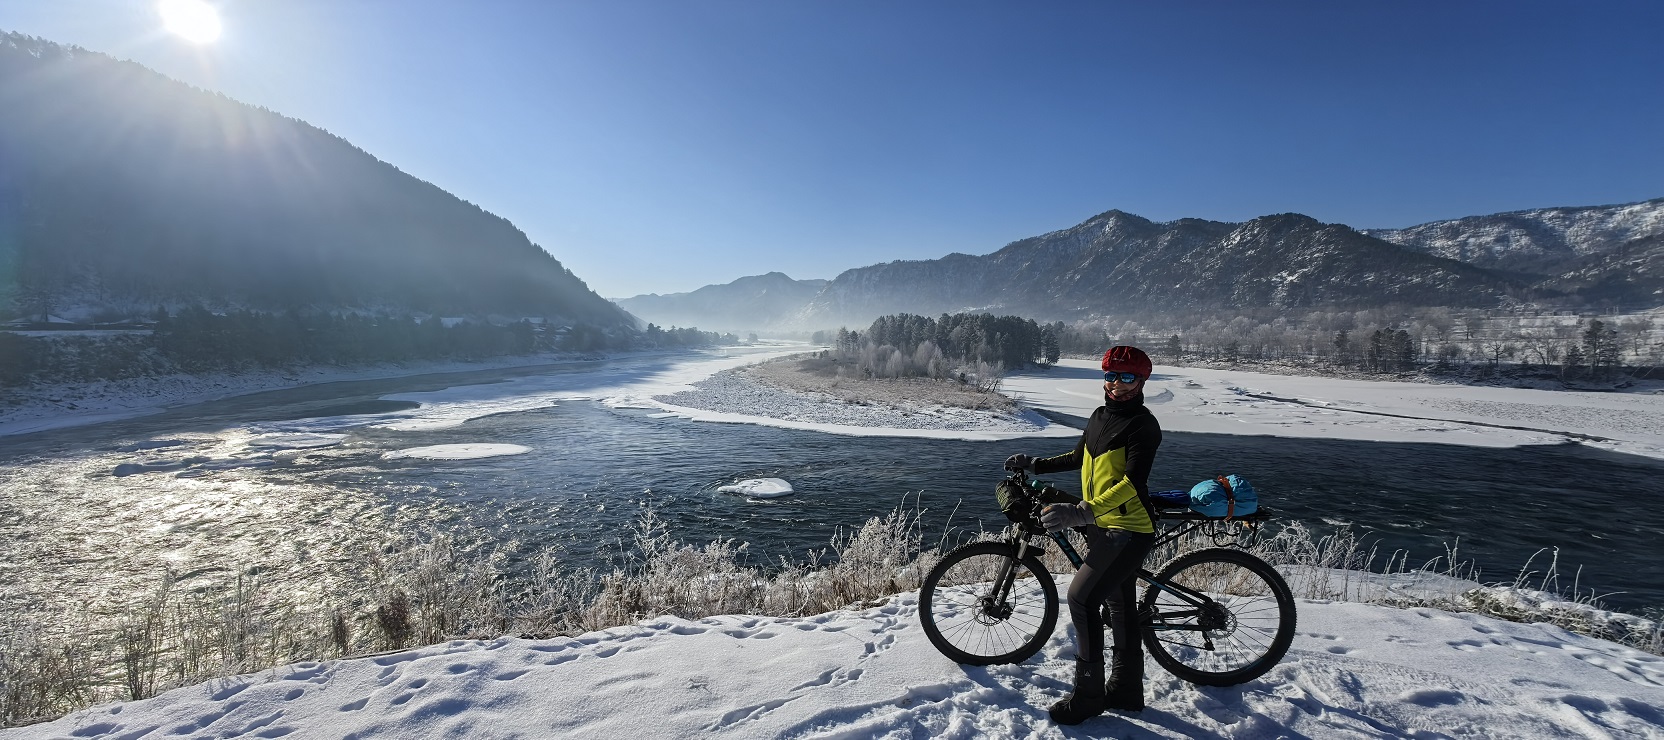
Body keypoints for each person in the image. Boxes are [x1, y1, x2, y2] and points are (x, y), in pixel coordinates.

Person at [1005, 345, 1161, 726]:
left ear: (1141, 381)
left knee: (1081, 598)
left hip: (1128, 529)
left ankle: (1089, 696)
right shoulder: (1099, 415)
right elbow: (1079, 457)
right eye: (1111, 376)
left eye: (1127, 378)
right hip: (1102, 525)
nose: (1117, 385)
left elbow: (1131, 483)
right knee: (1121, 605)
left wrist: (1079, 511)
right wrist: (1036, 463)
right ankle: (1125, 689)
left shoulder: (1143, 425)